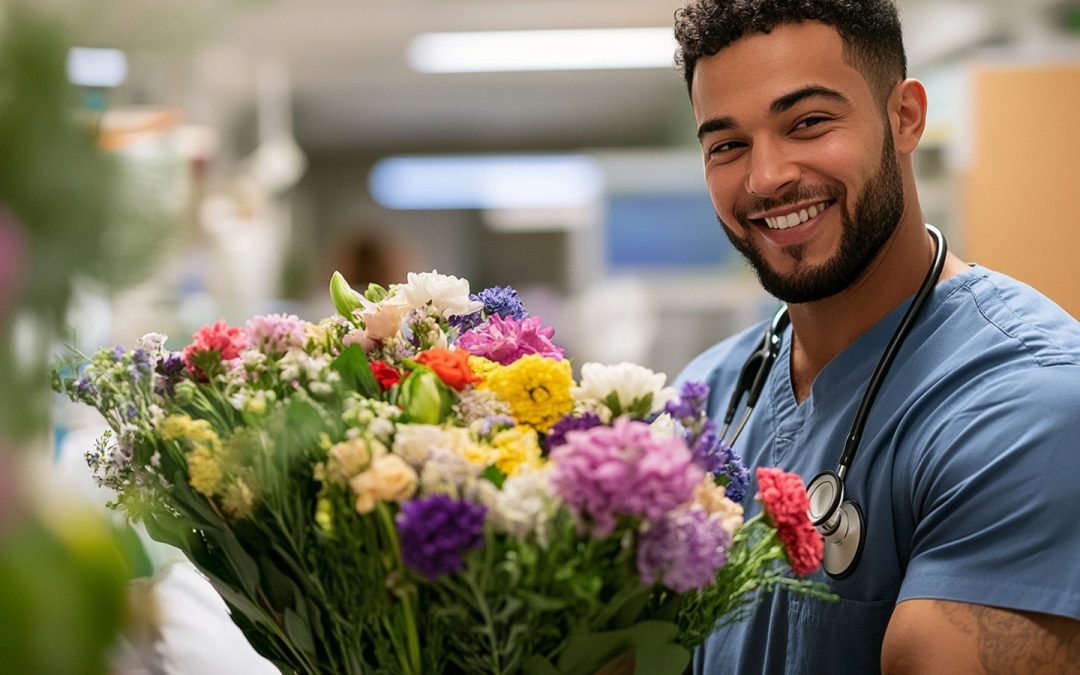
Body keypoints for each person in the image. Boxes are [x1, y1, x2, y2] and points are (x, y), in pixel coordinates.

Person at [671, 1, 1080, 672]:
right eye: (728, 144)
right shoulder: (708, 399)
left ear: (905, 117)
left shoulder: (1032, 406)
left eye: (808, 123)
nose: (766, 176)